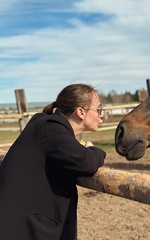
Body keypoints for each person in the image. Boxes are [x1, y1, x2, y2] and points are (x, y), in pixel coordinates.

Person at [0, 83, 106, 240]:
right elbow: (87, 163)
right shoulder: (52, 128)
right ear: (81, 112)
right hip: (24, 229)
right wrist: (94, 149)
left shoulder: (44, 123)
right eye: (98, 110)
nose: (101, 115)